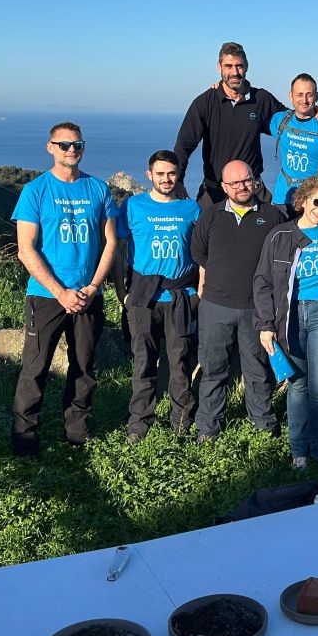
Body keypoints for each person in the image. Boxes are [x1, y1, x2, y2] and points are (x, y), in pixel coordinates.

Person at [10, 123, 117, 456]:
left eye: (78, 144)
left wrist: (94, 286)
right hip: (45, 296)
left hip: (89, 295)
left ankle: (77, 433)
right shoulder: (35, 191)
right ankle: (25, 437)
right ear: (50, 147)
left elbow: (110, 242)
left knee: (84, 367)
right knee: (35, 368)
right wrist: (60, 292)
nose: (72, 149)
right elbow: (25, 249)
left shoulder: (99, 189)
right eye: (65, 144)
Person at [191, 160, 287, 440]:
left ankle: (263, 428)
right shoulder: (210, 216)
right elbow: (199, 252)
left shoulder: (272, 216)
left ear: (255, 181)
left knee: (257, 371)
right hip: (215, 306)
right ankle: (208, 430)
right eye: (234, 183)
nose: (242, 187)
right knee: (213, 370)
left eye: (247, 181)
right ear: (224, 187)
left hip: (255, 309)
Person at [174, 42, 318, 207]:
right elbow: (184, 145)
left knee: (273, 227)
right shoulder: (205, 103)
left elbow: (293, 123)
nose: (234, 72)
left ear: (246, 67)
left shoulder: (261, 99)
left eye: (239, 66)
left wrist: (315, 109)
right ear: (219, 67)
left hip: (253, 190)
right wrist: (179, 181)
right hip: (215, 191)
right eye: (228, 66)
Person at [254, 175, 318, 469]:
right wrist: (265, 324)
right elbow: (263, 281)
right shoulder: (280, 236)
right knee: (297, 384)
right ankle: (299, 452)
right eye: (317, 202)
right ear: (303, 200)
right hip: (288, 317)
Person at [123, 150, 202, 442]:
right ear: (149, 175)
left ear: (178, 174)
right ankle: (139, 425)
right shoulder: (132, 206)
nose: (166, 179)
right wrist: (124, 294)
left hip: (181, 296)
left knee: (180, 363)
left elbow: (203, 250)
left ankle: (181, 423)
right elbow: (118, 249)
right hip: (143, 297)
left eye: (171, 173)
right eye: (160, 174)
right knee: (143, 362)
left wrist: (200, 289)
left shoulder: (191, 209)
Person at [268, 73, 318, 208]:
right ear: (290, 96)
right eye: (299, 94)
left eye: (309, 95)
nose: (304, 100)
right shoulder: (280, 120)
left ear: (316, 96)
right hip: (283, 199)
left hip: (314, 202)